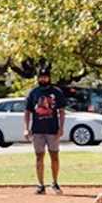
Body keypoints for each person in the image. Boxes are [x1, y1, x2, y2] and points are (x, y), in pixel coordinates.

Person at [24, 66, 66, 194]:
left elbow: (62, 111)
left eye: (45, 77)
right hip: (38, 130)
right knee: (39, 157)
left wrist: (61, 127)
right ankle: (40, 185)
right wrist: (26, 129)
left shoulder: (56, 92)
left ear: (49, 78)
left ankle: (55, 183)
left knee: (54, 156)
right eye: (41, 77)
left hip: (52, 129)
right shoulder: (34, 93)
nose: (43, 79)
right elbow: (27, 112)